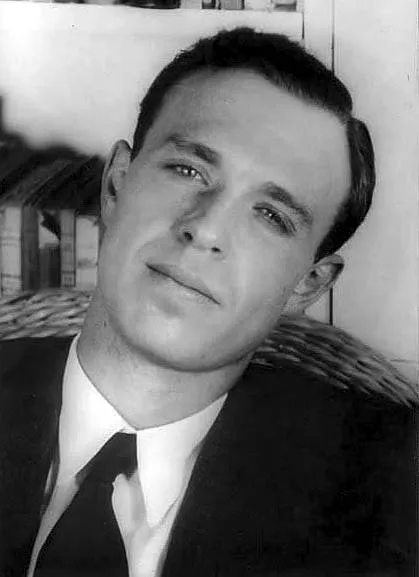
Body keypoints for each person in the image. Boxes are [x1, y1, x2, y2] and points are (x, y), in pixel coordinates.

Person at [0, 27, 416, 577]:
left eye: (271, 216)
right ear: (116, 184)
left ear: (309, 284)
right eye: (188, 170)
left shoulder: (394, 487)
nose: (207, 229)